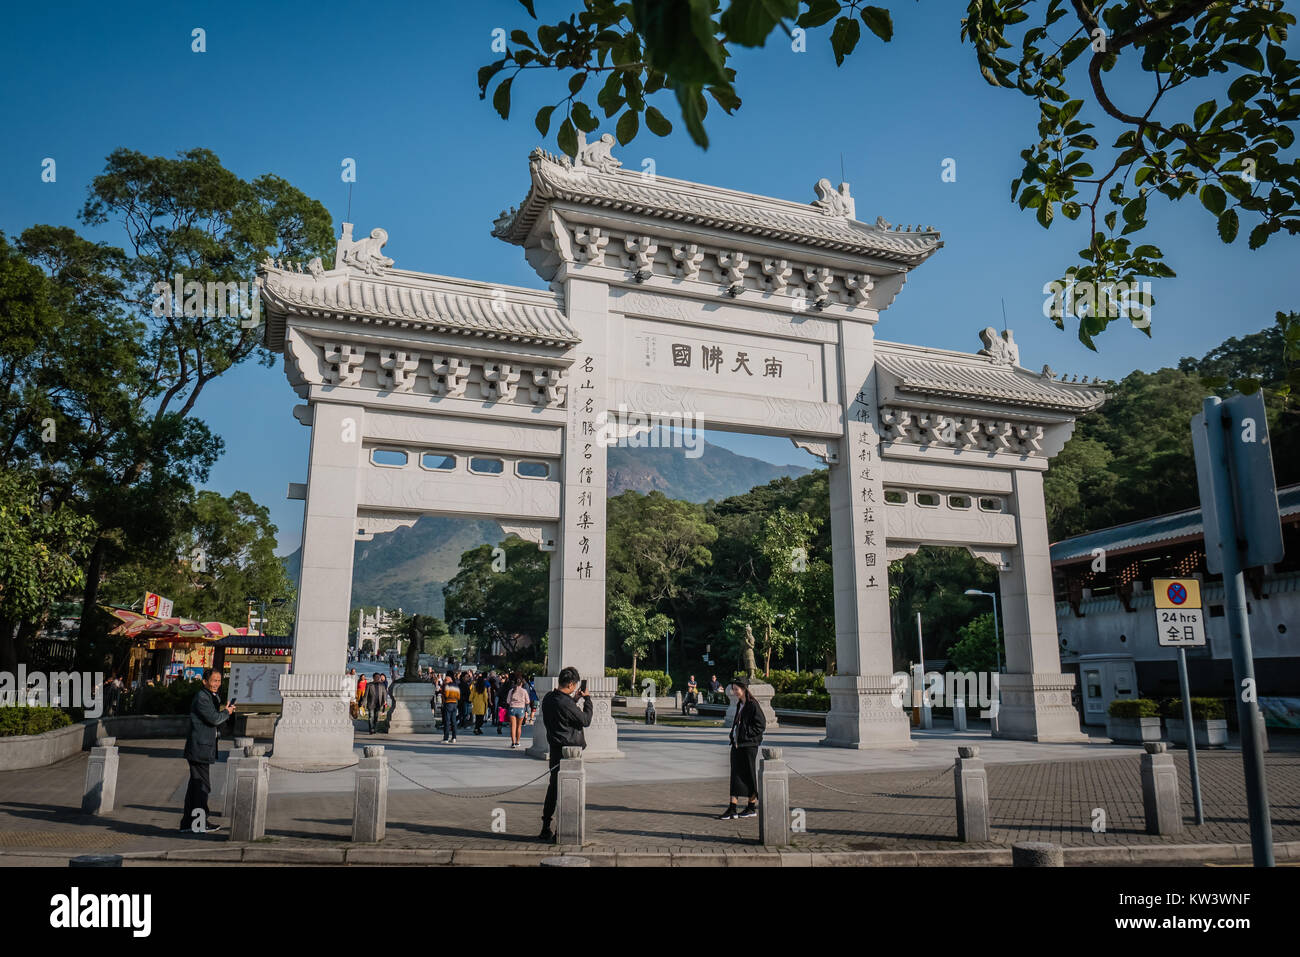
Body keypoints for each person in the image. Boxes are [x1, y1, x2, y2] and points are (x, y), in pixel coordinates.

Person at [539, 666, 593, 843]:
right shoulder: (566, 702)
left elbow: (564, 715)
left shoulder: (548, 698)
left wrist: (574, 700)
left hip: (554, 748)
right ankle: (563, 831)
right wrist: (587, 700)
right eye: (575, 686)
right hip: (569, 751)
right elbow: (585, 720)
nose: (575, 688)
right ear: (570, 684)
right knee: (567, 791)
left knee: (553, 788)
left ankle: (546, 826)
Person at [180, 668, 235, 834]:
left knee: (195, 787)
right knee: (202, 787)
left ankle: (188, 824)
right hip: (199, 749)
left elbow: (215, 718)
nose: (216, 684)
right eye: (213, 681)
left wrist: (225, 712)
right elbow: (214, 719)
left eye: (219, 681)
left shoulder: (210, 696)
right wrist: (226, 712)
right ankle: (199, 823)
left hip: (202, 748)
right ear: (205, 682)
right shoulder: (202, 698)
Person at [719, 676, 766, 820]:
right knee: (735, 776)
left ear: (744, 689)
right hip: (737, 745)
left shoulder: (753, 705)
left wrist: (745, 734)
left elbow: (761, 725)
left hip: (749, 746)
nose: (734, 692)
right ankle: (732, 808)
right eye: (733, 689)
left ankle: (751, 807)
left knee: (749, 776)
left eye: (736, 689)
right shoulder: (740, 704)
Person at [506, 671, 529, 748]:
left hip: (512, 708)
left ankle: (512, 742)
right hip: (521, 709)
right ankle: (517, 742)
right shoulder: (524, 691)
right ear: (521, 683)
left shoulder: (511, 691)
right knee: (519, 726)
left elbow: (508, 701)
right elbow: (527, 701)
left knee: (513, 726)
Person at [440, 675, 460, 744]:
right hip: (455, 703)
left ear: (449, 680)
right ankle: (454, 738)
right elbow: (458, 696)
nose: (445, 682)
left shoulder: (447, 686)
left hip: (448, 703)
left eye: (446, 680)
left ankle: (446, 738)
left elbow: (446, 695)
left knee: (447, 721)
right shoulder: (457, 686)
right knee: (454, 721)